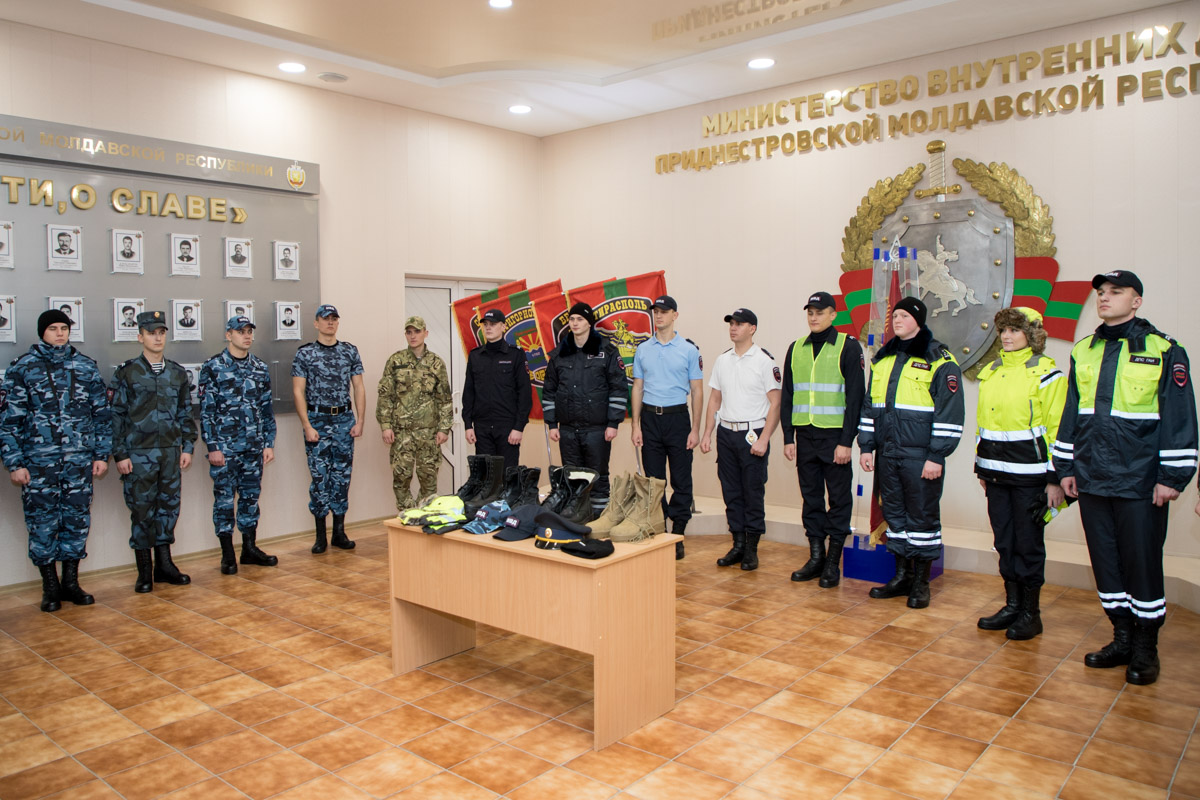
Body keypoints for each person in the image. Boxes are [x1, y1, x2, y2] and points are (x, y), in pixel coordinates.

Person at [1052, 271, 1197, 685]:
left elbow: (1179, 417)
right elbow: (1071, 413)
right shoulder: (1084, 350)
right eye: (1101, 292)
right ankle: (1121, 637)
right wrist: (1066, 468)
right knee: (1106, 563)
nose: (1104, 298)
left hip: (1140, 481)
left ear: (1136, 301)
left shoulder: (1165, 350)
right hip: (1092, 478)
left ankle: (1146, 648)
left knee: (1141, 563)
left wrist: (1172, 477)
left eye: (1116, 292)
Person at [0, 310, 111, 612]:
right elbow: (9, 422)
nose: (60, 333)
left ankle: (71, 583)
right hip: (38, 464)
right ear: (42, 332)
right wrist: (15, 463)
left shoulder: (85, 366)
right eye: (53, 328)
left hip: (79, 462)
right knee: (42, 524)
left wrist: (101, 455)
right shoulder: (23, 368)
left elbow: (101, 415)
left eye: (64, 328)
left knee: (77, 520)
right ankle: (50, 587)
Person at [858, 297, 964, 609]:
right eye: (895, 315)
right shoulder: (883, 358)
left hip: (921, 457)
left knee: (922, 518)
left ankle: (921, 583)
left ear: (919, 320)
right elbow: (870, 406)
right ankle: (902, 576)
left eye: (904, 315)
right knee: (895, 516)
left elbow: (949, 412)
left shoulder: (939, 358)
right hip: (888, 454)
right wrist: (866, 446)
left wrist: (936, 456)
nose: (897, 320)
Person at [974, 308, 1067, 639]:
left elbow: (1058, 431)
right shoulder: (992, 372)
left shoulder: (1048, 374)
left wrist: (1055, 479)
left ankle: (1031, 613)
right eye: (1003, 330)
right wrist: (981, 466)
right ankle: (1012, 605)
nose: (1007, 336)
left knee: (1028, 545)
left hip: (1031, 478)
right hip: (995, 475)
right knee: (1004, 542)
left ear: (1032, 335)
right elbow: (983, 425)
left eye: (1015, 330)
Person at [783, 292, 866, 588]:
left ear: (833, 314)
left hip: (834, 438)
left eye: (820, 312)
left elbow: (855, 398)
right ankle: (816, 557)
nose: (814, 317)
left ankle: (832, 562)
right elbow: (788, 395)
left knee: (839, 500)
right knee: (811, 499)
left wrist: (846, 441)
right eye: (810, 312)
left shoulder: (848, 346)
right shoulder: (796, 348)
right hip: (804, 435)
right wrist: (788, 437)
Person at [110, 310, 197, 593]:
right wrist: (120, 454)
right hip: (138, 454)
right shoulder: (127, 372)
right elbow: (116, 416)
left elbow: (185, 413)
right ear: (140, 337)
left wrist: (188, 446)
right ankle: (144, 571)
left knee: (168, 508)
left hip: (170, 452)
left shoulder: (177, 373)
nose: (157, 338)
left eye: (161, 333)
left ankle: (165, 565)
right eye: (151, 333)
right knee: (141, 510)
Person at [700, 308, 781, 571]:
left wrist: (764, 439)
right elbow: (715, 399)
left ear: (752, 328)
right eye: (731, 324)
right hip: (726, 433)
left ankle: (751, 549)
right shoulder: (723, 360)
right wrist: (707, 433)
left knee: (752, 492)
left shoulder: (764, 361)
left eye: (739, 324)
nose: (733, 328)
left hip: (752, 434)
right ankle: (737, 544)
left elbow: (776, 403)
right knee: (731, 491)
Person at [200, 316, 278, 574]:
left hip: (254, 446)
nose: (246, 336)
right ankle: (227, 554)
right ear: (228, 335)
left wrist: (268, 442)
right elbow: (207, 412)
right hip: (225, 448)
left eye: (249, 331)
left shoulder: (259, 367)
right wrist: (213, 446)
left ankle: (249, 549)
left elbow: (266, 409)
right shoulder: (213, 366)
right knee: (224, 500)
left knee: (250, 498)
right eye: (240, 331)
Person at [630, 295, 703, 559]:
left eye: (664, 311)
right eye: (655, 311)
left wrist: (695, 429)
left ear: (675, 315)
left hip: (678, 419)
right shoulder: (643, 349)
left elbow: (697, 391)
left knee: (681, 479)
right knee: (654, 481)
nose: (658, 316)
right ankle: (660, 532)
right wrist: (635, 425)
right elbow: (638, 387)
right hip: (650, 419)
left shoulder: (688, 350)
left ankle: (677, 533)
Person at [542, 302, 628, 518]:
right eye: (572, 319)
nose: (575, 323)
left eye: (580, 319)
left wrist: (613, 423)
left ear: (589, 323)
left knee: (598, 476)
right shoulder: (559, 354)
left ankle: (598, 519)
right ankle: (575, 517)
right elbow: (549, 391)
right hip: (568, 430)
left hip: (597, 429)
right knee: (572, 476)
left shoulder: (607, 351)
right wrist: (552, 424)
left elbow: (618, 389)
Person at [292, 304, 365, 553]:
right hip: (317, 420)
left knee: (342, 477)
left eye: (334, 318)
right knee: (320, 478)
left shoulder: (349, 351)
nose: (330, 322)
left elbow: (359, 387)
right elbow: (298, 391)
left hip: (343, 419)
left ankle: (339, 533)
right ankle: (321, 535)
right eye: (325, 319)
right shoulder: (305, 354)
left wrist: (360, 420)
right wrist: (306, 425)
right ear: (316, 323)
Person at [377, 316, 453, 512]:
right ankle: (407, 515)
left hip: (428, 433)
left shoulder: (436, 363)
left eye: (417, 332)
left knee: (429, 479)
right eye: (409, 332)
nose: (413, 336)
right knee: (401, 478)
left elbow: (444, 398)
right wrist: (385, 426)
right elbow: (385, 396)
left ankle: (423, 516)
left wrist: (444, 428)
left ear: (425, 333)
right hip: (401, 433)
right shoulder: (396, 361)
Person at [463, 308, 531, 471]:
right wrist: (468, 425)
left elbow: (524, 394)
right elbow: (469, 392)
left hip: (507, 427)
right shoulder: (475, 356)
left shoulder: (515, 355)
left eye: (493, 324)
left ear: (503, 326)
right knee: (485, 477)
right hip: (482, 427)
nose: (488, 328)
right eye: (485, 324)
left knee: (508, 476)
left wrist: (519, 427)